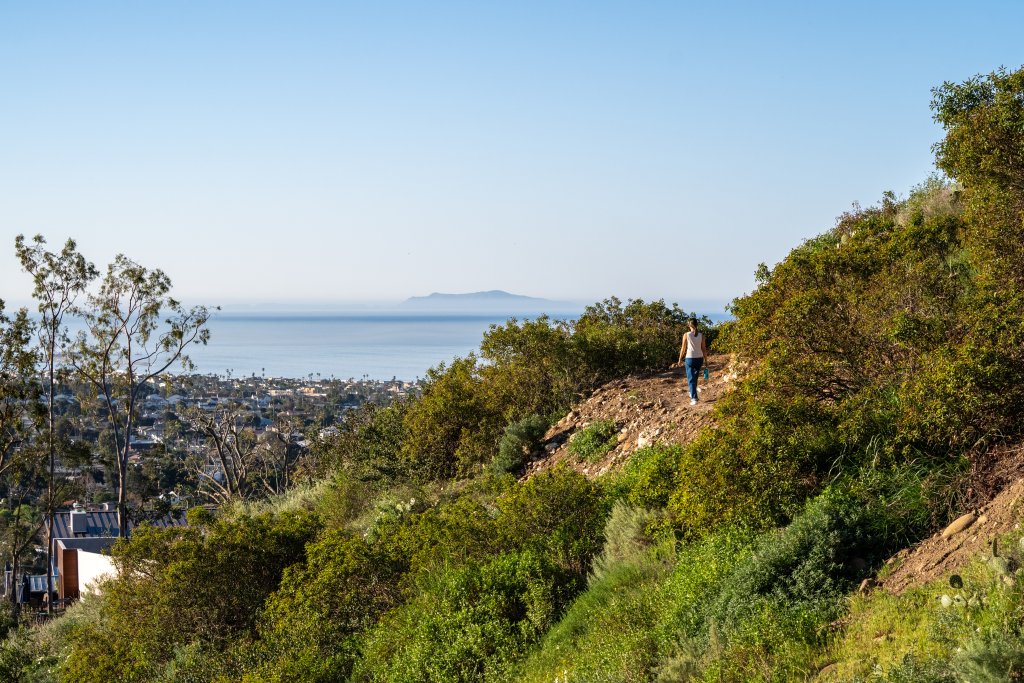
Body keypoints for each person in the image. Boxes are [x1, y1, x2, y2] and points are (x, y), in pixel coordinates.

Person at [676, 318, 708, 405]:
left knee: (691, 379)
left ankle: (694, 398)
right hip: (699, 358)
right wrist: (706, 360)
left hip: (690, 358)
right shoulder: (701, 335)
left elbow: (683, 348)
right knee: (695, 378)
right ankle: (692, 392)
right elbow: (704, 349)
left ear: (689, 325)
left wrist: (680, 359)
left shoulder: (686, 335)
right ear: (697, 324)